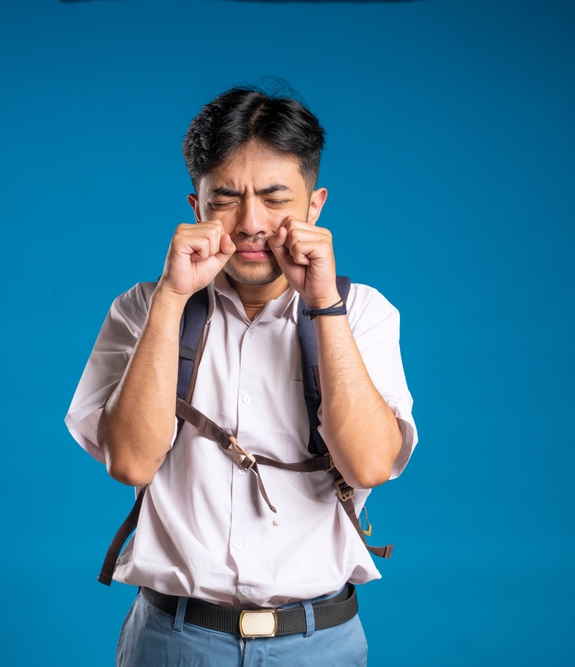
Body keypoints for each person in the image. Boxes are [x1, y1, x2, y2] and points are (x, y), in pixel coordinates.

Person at [65, 85, 417, 666]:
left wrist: (325, 306)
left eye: (275, 197)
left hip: (318, 642)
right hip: (171, 641)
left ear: (315, 205)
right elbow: (128, 461)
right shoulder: (142, 309)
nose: (252, 223)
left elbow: (371, 464)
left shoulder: (365, 313)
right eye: (226, 198)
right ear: (195, 206)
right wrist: (173, 298)